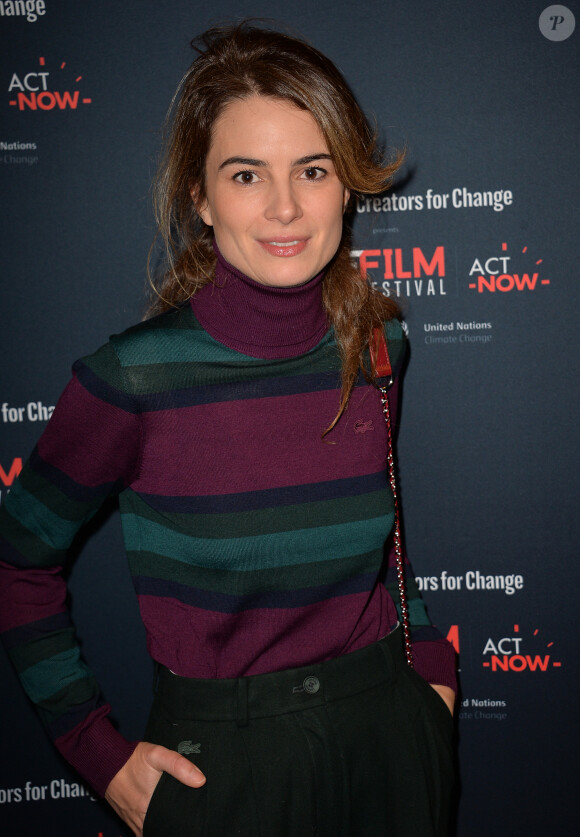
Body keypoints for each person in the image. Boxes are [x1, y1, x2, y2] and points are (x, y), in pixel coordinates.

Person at [0, 23, 457, 837]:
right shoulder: (132, 379)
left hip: (392, 740)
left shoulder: (381, 348)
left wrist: (431, 670)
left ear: (345, 186)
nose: (285, 207)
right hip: (226, 773)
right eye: (247, 174)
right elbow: (16, 563)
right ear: (202, 197)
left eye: (312, 171)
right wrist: (98, 752)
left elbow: (388, 543)